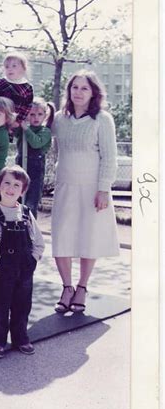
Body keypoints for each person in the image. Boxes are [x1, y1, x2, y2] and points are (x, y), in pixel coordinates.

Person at [51, 71, 119, 314]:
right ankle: (67, 287)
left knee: (88, 237)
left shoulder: (102, 119)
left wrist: (104, 189)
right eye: (75, 87)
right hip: (65, 185)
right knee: (62, 236)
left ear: (93, 93)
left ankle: (82, 287)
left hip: (92, 188)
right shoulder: (59, 118)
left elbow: (110, 158)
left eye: (84, 88)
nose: (78, 92)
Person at [0, 165, 45, 358]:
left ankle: (21, 337)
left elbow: (38, 241)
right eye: (7, 183)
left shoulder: (26, 213)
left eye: (16, 185)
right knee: (0, 306)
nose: (11, 188)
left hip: (24, 269)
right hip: (2, 269)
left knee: (22, 305)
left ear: (23, 190)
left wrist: (33, 260)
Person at [15, 98, 55, 218]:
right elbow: (12, 132)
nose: (36, 118)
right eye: (32, 114)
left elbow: (36, 143)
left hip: (35, 168)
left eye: (39, 114)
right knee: (18, 199)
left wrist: (26, 129)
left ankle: (30, 227)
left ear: (45, 115)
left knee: (31, 201)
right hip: (21, 164)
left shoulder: (45, 131)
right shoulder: (22, 129)